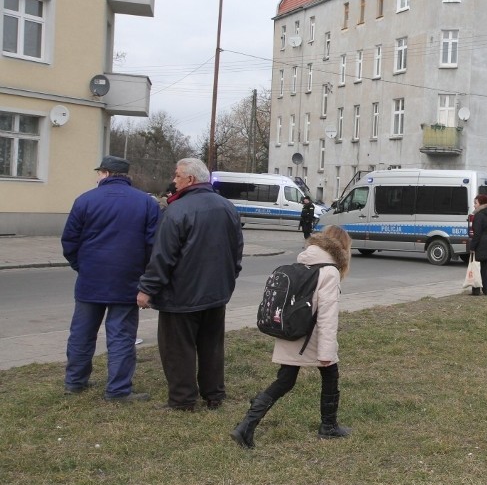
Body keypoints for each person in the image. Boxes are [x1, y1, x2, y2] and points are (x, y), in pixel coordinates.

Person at [230, 225, 353, 448]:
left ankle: (246, 425)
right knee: (330, 375)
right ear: (342, 248)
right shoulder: (330, 271)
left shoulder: (303, 261)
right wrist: (326, 352)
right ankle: (329, 426)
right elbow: (327, 316)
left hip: (291, 331)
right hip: (311, 337)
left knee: (285, 381)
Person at [137, 158, 244, 411]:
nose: (173, 181)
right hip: (216, 293)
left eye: (177, 176)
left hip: (181, 296)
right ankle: (214, 395)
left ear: (190, 180)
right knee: (212, 346)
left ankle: (183, 400)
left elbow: (163, 255)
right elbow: (237, 250)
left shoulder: (177, 210)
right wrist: (230, 277)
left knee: (178, 349)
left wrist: (146, 289)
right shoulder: (227, 207)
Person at [61, 156, 160, 402]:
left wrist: (81, 267)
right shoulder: (146, 203)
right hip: (127, 281)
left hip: (90, 280)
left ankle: (75, 382)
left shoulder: (84, 200)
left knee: (82, 333)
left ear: (105, 173)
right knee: (122, 336)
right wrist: (145, 276)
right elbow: (154, 246)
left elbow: (70, 241)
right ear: (126, 176)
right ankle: (117, 390)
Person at [469, 194, 487, 295]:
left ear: (481, 204)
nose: (474, 205)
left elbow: (477, 233)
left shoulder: (479, 216)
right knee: (484, 269)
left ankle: (476, 290)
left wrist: (472, 247)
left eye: (475, 203)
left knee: (475, 268)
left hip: (480, 244)